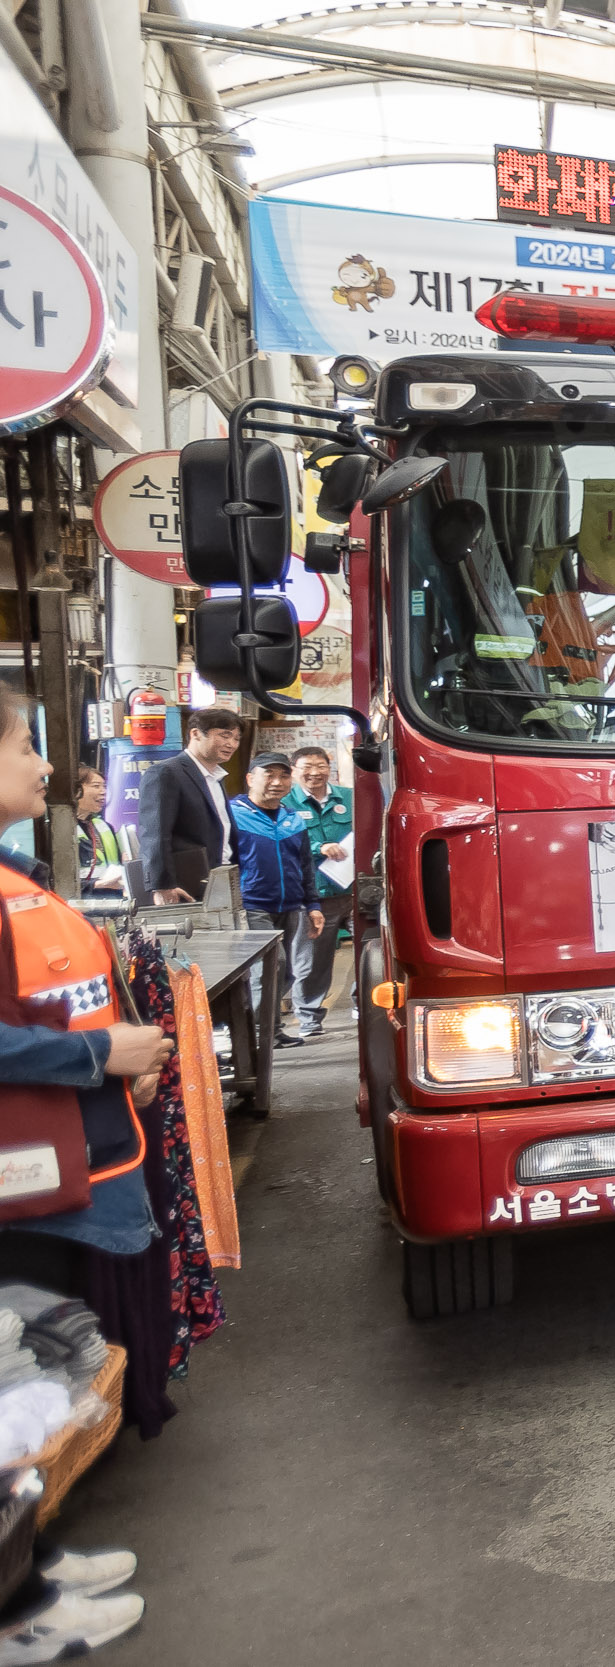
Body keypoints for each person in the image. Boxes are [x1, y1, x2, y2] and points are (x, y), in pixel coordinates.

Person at [0, 695, 159, 1660]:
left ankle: (30, 1559)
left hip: (59, 1158)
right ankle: (17, 1612)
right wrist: (100, 1054)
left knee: (18, 1373)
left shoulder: (13, 873)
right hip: (34, 1157)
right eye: (23, 743)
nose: (44, 764)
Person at [229, 754, 321, 1049]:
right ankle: (260, 1034)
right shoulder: (233, 815)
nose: (277, 782)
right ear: (250, 778)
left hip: (290, 906)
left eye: (283, 776)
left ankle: (270, 1030)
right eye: (268, 775)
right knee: (272, 966)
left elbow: (306, 866)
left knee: (286, 971)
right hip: (251, 904)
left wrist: (314, 905)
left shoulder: (292, 817)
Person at [137, 708, 241, 904]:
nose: (232, 744)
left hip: (223, 877)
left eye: (236, 738)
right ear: (195, 734)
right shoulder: (166, 772)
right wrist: (162, 885)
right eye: (225, 736)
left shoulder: (217, 778)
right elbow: (154, 833)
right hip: (184, 884)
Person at [283, 746, 352, 1039]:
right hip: (314, 895)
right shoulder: (285, 803)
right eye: (307, 767)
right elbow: (286, 841)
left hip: (355, 889)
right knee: (313, 959)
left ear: (329, 766)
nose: (315, 772)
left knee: (372, 950)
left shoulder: (349, 797)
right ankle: (309, 1018)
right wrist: (318, 848)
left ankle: (368, 1007)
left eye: (320, 765)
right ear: (294, 770)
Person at [70, 767, 124, 899]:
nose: (103, 792)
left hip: (112, 901)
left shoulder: (104, 827)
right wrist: (99, 884)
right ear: (77, 790)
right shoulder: (61, 830)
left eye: (104, 786)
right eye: (96, 786)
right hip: (82, 903)